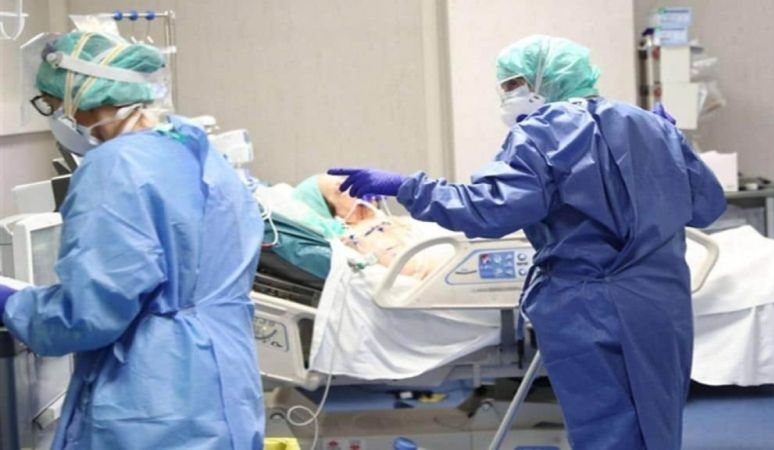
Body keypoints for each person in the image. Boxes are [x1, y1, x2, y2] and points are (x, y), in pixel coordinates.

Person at [329, 35, 726, 450]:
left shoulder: (545, 133)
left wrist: (405, 186)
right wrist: (671, 145)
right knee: (657, 425)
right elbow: (707, 207)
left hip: (591, 309)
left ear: (543, 80)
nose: (506, 96)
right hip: (660, 303)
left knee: (608, 429)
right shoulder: (650, 125)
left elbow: (488, 209)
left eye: (512, 84)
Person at [0, 31, 264, 449]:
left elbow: (87, 314)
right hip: (226, 379)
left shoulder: (115, 166)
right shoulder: (195, 149)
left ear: (84, 98)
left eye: (56, 105)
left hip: (157, 395)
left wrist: (13, 304)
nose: (60, 118)